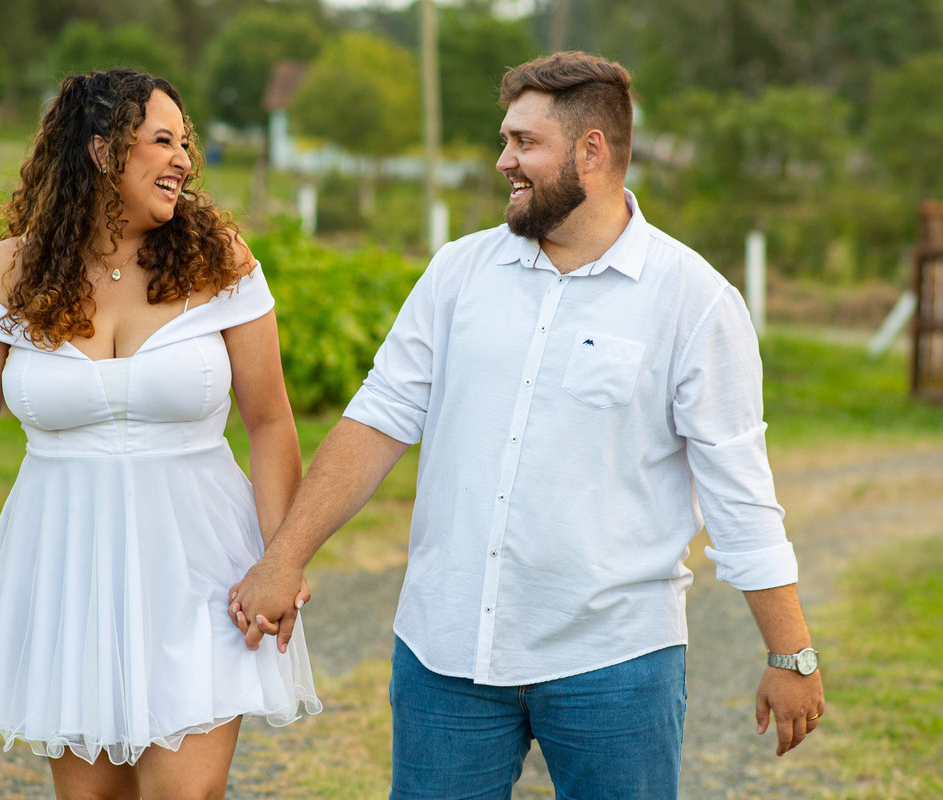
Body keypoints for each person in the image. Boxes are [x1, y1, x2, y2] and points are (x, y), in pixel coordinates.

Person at [228, 51, 825, 799]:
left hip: (615, 663)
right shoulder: (457, 272)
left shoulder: (694, 301)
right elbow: (376, 422)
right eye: (505, 139)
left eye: (524, 142)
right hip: (445, 656)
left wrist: (790, 653)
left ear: (591, 151)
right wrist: (284, 558)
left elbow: (740, 493)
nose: (503, 160)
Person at [0, 68, 320, 800]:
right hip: (66, 565)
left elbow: (269, 420)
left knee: (185, 793)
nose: (183, 160)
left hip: (200, 564)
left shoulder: (219, 259)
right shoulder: (5, 275)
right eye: (163, 141)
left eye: (185, 143)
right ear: (102, 151)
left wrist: (281, 558)